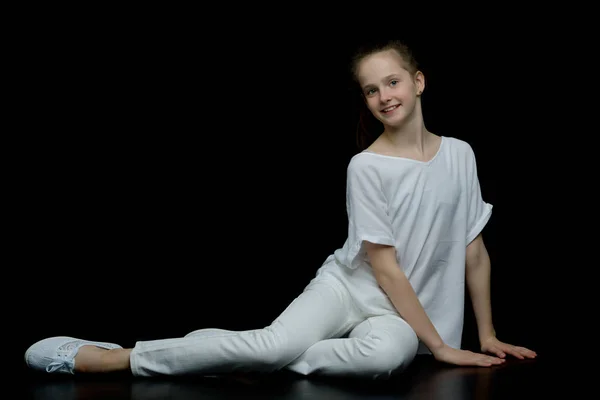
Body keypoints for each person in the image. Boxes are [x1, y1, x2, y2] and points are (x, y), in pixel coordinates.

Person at [24, 39, 536, 380]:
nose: (384, 96)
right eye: (371, 89)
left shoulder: (461, 153)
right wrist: (444, 348)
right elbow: (383, 266)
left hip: (403, 316)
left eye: (393, 82)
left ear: (419, 81)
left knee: (389, 356)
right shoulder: (367, 166)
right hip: (350, 288)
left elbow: (474, 251)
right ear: (365, 99)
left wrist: (485, 334)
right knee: (269, 346)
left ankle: (263, 353)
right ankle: (116, 358)